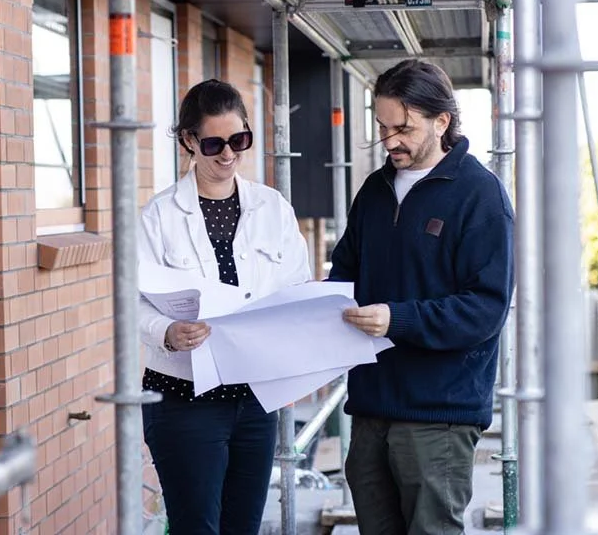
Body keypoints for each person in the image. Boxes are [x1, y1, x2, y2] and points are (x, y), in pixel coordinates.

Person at [328, 59, 515, 535]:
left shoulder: (480, 194)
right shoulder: (374, 190)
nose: (390, 141)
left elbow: (485, 309)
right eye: (382, 127)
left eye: (403, 128)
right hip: (371, 406)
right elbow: (344, 277)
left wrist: (397, 320)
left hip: (438, 416)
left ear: (442, 121)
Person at [137, 79, 312, 535]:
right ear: (189, 141)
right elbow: (128, 303)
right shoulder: (158, 216)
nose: (228, 154)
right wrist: (167, 331)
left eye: (240, 140)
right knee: (197, 527)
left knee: (243, 527)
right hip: (183, 400)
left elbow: (296, 290)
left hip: (254, 401)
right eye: (214, 143)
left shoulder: (272, 208)